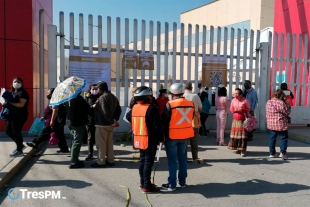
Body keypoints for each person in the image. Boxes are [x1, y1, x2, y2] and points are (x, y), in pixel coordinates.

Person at [126, 86, 164, 193]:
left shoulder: (135, 107)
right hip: (149, 139)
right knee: (148, 162)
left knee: (142, 161)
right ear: (147, 97)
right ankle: (147, 185)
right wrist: (161, 138)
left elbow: (129, 117)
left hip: (138, 138)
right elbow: (157, 126)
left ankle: (143, 182)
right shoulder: (151, 108)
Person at [161, 83, 194, 191]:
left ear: (172, 94)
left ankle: (172, 184)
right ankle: (183, 182)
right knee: (182, 159)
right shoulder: (191, 104)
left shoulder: (169, 104)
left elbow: (164, 121)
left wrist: (162, 136)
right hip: (185, 135)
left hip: (172, 135)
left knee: (172, 161)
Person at [26, 88, 68, 153]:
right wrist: (45, 117)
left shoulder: (55, 100)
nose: (47, 94)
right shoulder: (56, 100)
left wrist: (52, 121)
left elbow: (55, 111)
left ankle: (35, 142)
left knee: (45, 133)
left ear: (53, 94)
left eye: (49, 93)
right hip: (55, 121)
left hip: (53, 122)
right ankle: (64, 149)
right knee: (60, 135)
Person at [92, 81, 122, 168]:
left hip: (102, 124)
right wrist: (114, 120)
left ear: (100, 89)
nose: (97, 90)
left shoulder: (102, 98)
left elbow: (105, 112)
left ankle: (101, 162)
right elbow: (119, 110)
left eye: (97, 89)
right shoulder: (113, 97)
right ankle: (110, 160)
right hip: (110, 125)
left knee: (101, 144)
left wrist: (111, 121)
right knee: (109, 143)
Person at [64, 93, 90, 169]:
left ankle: (74, 159)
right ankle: (74, 161)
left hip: (70, 121)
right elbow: (87, 108)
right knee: (77, 141)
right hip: (78, 122)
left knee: (73, 140)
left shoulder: (67, 98)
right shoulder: (79, 98)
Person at [4, 77, 29, 157]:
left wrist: (9, 102)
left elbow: (21, 105)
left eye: (19, 82)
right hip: (12, 115)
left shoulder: (23, 93)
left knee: (16, 132)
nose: (16, 83)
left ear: (22, 83)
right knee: (8, 131)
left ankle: (19, 150)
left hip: (20, 116)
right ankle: (20, 145)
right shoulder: (13, 92)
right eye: (15, 81)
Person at [266, 89, 291, 160]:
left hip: (271, 123)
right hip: (281, 123)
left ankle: (272, 153)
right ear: (280, 96)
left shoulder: (268, 102)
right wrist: (288, 107)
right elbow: (287, 113)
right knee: (283, 138)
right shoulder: (281, 103)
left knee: (272, 138)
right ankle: (282, 153)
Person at [228, 88, 250, 157]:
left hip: (242, 120)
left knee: (242, 136)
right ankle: (238, 149)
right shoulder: (233, 100)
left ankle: (243, 150)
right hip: (235, 121)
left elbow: (248, 109)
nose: (236, 95)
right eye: (235, 93)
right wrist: (235, 110)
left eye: (237, 93)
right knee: (236, 136)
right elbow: (231, 109)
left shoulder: (245, 100)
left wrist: (242, 109)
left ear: (240, 94)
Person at [183, 82, 202, 161]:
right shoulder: (195, 96)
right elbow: (200, 108)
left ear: (184, 88)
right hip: (194, 119)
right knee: (194, 139)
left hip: (183, 119)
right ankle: (195, 156)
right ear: (191, 88)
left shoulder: (182, 96)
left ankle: (184, 157)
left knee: (184, 140)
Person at [84, 84, 101, 161]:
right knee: (90, 138)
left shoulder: (101, 97)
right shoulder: (87, 97)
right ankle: (90, 153)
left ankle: (101, 153)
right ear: (90, 89)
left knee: (99, 138)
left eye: (96, 89)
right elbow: (85, 108)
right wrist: (92, 106)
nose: (94, 91)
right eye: (93, 89)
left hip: (99, 120)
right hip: (90, 120)